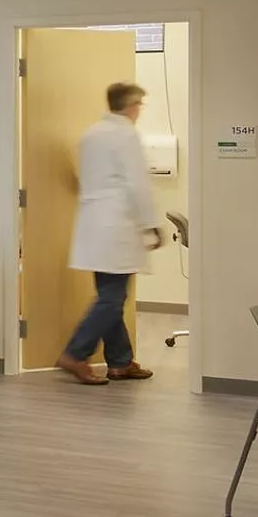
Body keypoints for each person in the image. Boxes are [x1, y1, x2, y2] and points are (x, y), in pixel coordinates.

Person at [58, 80, 161, 384]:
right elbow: (138, 185)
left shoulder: (91, 134)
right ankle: (76, 354)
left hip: (94, 225)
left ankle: (120, 361)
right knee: (112, 299)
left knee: (110, 296)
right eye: (139, 105)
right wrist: (151, 224)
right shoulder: (126, 135)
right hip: (118, 225)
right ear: (131, 105)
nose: (139, 111)